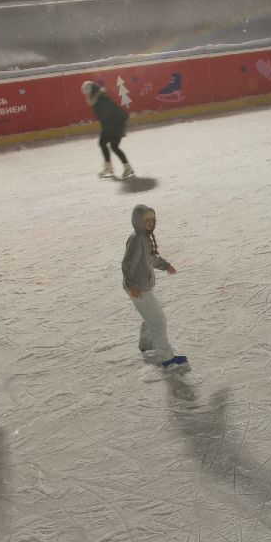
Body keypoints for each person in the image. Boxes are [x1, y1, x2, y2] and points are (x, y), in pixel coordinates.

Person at [123, 204, 189, 373]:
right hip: (137, 287)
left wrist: (165, 265)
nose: (150, 222)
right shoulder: (137, 240)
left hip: (141, 286)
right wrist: (132, 285)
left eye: (152, 219)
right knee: (159, 321)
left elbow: (151, 258)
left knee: (152, 316)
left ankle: (146, 343)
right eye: (146, 220)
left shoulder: (144, 238)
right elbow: (127, 265)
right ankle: (166, 358)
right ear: (138, 221)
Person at [84, 80, 134, 179]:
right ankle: (116, 167)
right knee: (109, 145)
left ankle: (117, 167)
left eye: (87, 93)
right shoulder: (98, 99)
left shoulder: (101, 99)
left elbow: (113, 111)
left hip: (115, 125)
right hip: (112, 125)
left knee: (109, 145)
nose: (87, 95)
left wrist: (117, 123)